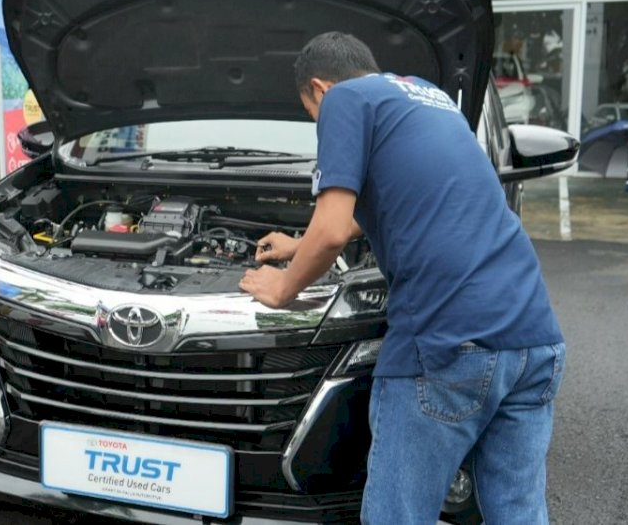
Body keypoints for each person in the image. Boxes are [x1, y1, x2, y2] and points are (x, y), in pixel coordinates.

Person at [239, 31, 566, 524]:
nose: (319, 123)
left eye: (311, 114)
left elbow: (329, 233)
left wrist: (283, 286)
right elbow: (375, 207)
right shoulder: (428, 96)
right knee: (517, 512)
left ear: (319, 89)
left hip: (447, 344)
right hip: (533, 339)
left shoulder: (343, 99)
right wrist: (295, 245)